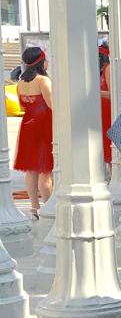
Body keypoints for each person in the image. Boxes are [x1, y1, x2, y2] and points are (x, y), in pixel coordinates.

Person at [13, 47, 53, 219]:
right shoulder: (43, 81)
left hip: (28, 127)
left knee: (31, 170)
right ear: (42, 62)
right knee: (45, 170)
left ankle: (34, 208)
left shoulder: (20, 83)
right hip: (44, 127)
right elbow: (53, 106)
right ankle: (49, 206)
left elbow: (23, 107)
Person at [99, 41, 112, 167]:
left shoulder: (108, 69)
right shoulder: (100, 72)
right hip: (101, 113)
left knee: (108, 144)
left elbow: (112, 94)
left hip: (107, 112)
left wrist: (96, 93)